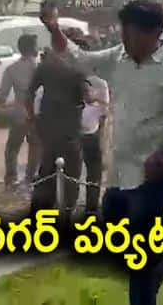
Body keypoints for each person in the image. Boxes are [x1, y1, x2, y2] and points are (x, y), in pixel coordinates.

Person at [40, 0, 163, 305]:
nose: (125, 40)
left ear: (154, 33)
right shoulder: (118, 57)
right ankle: (159, 263)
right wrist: (55, 29)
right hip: (118, 173)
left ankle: (147, 284)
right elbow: (79, 58)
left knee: (138, 258)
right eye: (123, 33)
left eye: (132, 34)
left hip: (150, 176)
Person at [27, 44, 88, 214]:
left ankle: (39, 212)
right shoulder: (78, 70)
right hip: (70, 128)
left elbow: (29, 93)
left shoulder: (45, 67)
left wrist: (32, 119)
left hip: (47, 125)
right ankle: (67, 211)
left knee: (46, 168)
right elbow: (87, 96)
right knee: (72, 171)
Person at [0, 34, 40, 190]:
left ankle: (11, 179)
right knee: (35, 147)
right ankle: (30, 179)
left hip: (19, 114)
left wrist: (11, 104)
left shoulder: (11, 69)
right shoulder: (41, 68)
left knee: (12, 148)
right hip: (38, 114)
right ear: (33, 48)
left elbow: (1, 97)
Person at [74, 38, 110, 214]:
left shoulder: (99, 83)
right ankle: (70, 205)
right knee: (70, 171)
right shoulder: (63, 81)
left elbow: (104, 115)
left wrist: (102, 141)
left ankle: (91, 207)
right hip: (71, 133)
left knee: (93, 170)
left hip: (90, 131)